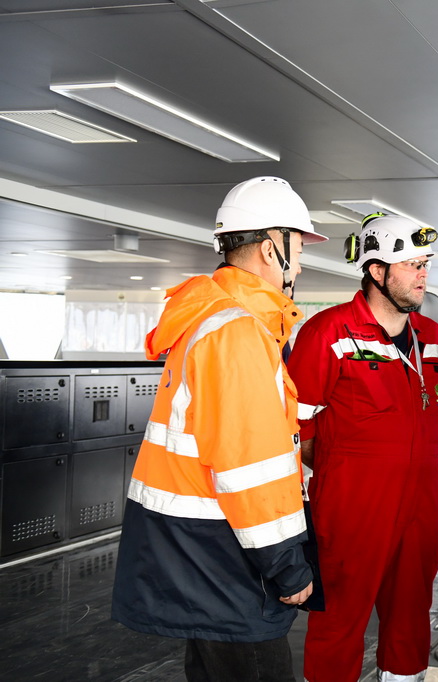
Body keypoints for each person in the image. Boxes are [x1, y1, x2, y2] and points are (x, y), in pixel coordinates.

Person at [112, 176, 327, 681]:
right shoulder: (237, 332)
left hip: (200, 550)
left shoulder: (215, 318)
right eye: (297, 245)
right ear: (273, 247)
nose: (300, 261)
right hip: (227, 558)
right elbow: (248, 465)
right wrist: (286, 564)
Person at [287, 213, 438, 682]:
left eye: (425, 263)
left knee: (410, 621)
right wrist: (346, 472)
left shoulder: (435, 340)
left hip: (422, 503)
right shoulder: (328, 334)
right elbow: (295, 429)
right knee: (340, 622)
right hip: (354, 508)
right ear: (377, 271)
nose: (423, 274)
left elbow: (431, 420)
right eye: (411, 264)